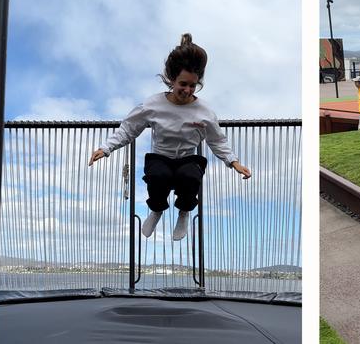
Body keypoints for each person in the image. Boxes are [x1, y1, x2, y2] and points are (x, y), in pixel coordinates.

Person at [88, 33, 252, 241]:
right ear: (172, 79)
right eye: (183, 84)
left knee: (190, 176)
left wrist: (234, 162)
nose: (187, 90)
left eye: (193, 85)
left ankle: (184, 212)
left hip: (187, 159)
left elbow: (217, 140)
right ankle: (156, 210)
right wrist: (106, 148)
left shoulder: (204, 112)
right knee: (158, 176)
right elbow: (129, 128)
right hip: (161, 158)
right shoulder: (152, 105)